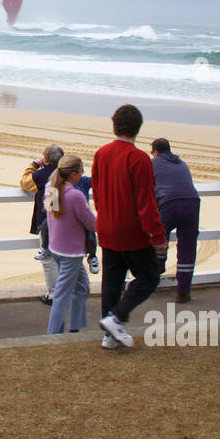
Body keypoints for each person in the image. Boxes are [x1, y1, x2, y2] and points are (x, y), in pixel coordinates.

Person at [94, 105, 168, 350]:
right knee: (149, 277)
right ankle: (116, 318)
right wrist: (157, 235)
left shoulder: (101, 153)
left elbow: (98, 191)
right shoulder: (139, 158)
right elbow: (146, 202)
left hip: (107, 226)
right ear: (138, 128)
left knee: (111, 282)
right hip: (132, 232)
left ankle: (109, 333)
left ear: (114, 125)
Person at [45, 155, 97, 334]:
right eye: (82, 172)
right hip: (70, 251)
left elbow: (56, 216)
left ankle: (75, 326)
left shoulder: (51, 188)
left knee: (82, 286)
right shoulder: (75, 196)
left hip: (57, 247)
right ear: (74, 174)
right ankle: (53, 333)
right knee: (62, 294)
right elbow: (92, 224)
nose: (83, 175)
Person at [150, 138, 201, 303]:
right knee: (187, 247)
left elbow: (149, 189)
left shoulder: (154, 163)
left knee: (157, 237)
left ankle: (156, 271)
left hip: (169, 204)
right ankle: (183, 291)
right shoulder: (181, 163)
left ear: (155, 151)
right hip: (192, 203)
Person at [20, 144, 63, 304]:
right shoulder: (65, 173)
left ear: (45, 159)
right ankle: (64, 291)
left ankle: (54, 294)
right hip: (66, 221)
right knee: (63, 258)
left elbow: (24, 182)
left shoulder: (42, 175)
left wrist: (34, 165)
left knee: (49, 259)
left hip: (47, 223)